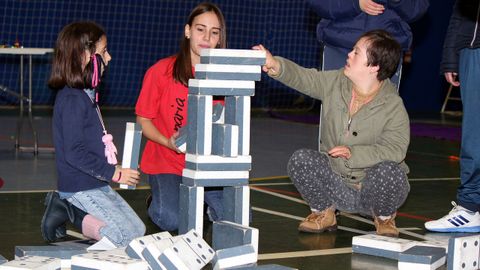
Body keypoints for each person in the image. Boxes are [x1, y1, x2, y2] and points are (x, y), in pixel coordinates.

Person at [253, 29, 410, 237]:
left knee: (391, 171)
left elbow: (395, 150)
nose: (348, 55)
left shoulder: (393, 105)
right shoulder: (335, 82)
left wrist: (354, 154)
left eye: (356, 53)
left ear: (374, 67)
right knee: (301, 160)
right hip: (338, 186)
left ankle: (384, 217)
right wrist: (276, 65)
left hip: (372, 190)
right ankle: (324, 212)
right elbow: (306, 78)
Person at [41, 21, 145, 247]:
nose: (109, 58)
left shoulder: (87, 94)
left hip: (95, 182)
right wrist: (114, 173)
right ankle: (69, 210)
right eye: (104, 51)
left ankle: (76, 215)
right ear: (84, 56)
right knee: (126, 239)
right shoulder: (71, 100)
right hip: (78, 187)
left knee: (139, 230)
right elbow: (74, 154)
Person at [135, 2, 226, 231]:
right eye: (200, 29)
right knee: (171, 220)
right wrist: (168, 141)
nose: (206, 37)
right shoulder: (161, 71)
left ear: (219, 38)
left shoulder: (225, 78)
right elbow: (143, 120)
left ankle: (201, 201)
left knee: (236, 216)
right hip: (166, 161)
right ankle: (157, 199)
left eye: (214, 32)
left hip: (206, 165)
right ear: (187, 31)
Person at [425, 0, 480, 233]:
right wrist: (451, 55)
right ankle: (469, 208)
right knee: (474, 133)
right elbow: (460, 10)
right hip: (473, 50)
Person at [307, 0, 429, 85]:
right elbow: (318, 2)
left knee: (382, 113)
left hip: (386, 51)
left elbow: (417, 9)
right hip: (340, 47)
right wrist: (355, 3)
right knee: (335, 108)